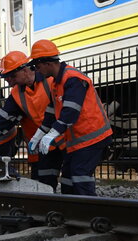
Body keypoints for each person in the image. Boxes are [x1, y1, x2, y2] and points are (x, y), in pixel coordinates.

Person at [0, 51, 64, 191]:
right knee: (43, 185)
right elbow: (4, 118)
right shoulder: (17, 93)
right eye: (6, 78)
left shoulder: (50, 81)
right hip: (41, 146)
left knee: (72, 181)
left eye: (12, 76)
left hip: (63, 141)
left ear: (25, 70)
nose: (9, 81)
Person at [27, 39, 112, 196]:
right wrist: (39, 135)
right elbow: (51, 113)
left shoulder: (73, 78)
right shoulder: (56, 83)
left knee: (80, 175)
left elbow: (71, 112)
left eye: (37, 66)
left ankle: (91, 213)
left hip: (92, 138)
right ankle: (72, 212)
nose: (36, 70)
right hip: (78, 141)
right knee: (68, 177)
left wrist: (52, 134)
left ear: (47, 63)